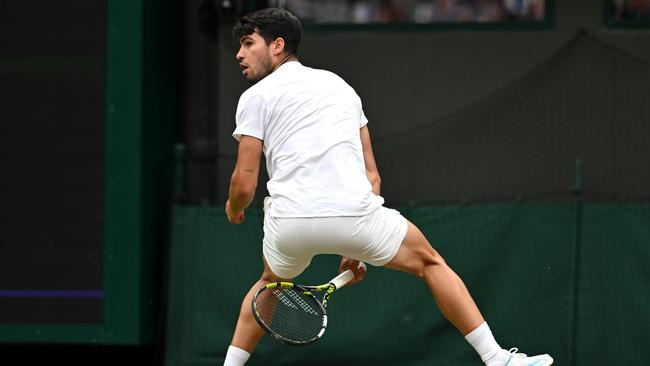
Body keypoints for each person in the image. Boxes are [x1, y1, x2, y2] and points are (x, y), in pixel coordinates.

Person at [222, 7, 553, 366]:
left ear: (277, 45)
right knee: (431, 263)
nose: (240, 54)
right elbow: (372, 178)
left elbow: (244, 183)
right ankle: (497, 359)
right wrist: (356, 246)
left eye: (248, 43)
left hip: (289, 227)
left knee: (268, 285)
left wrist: (234, 209)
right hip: (356, 218)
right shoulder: (342, 88)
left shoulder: (256, 96)